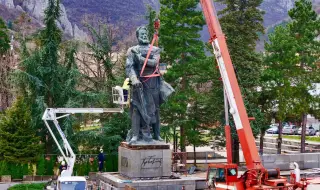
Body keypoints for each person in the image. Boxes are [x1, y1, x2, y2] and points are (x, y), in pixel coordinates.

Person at [126, 26, 167, 144]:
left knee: (156, 109)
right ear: (137, 37)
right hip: (138, 83)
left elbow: (154, 63)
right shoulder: (132, 50)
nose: (144, 36)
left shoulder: (155, 49)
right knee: (136, 109)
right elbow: (129, 67)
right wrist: (134, 80)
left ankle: (157, 134)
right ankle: (135, 135)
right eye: (141, 34)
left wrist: (140, 58)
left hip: (153, 83)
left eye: (145, 34)